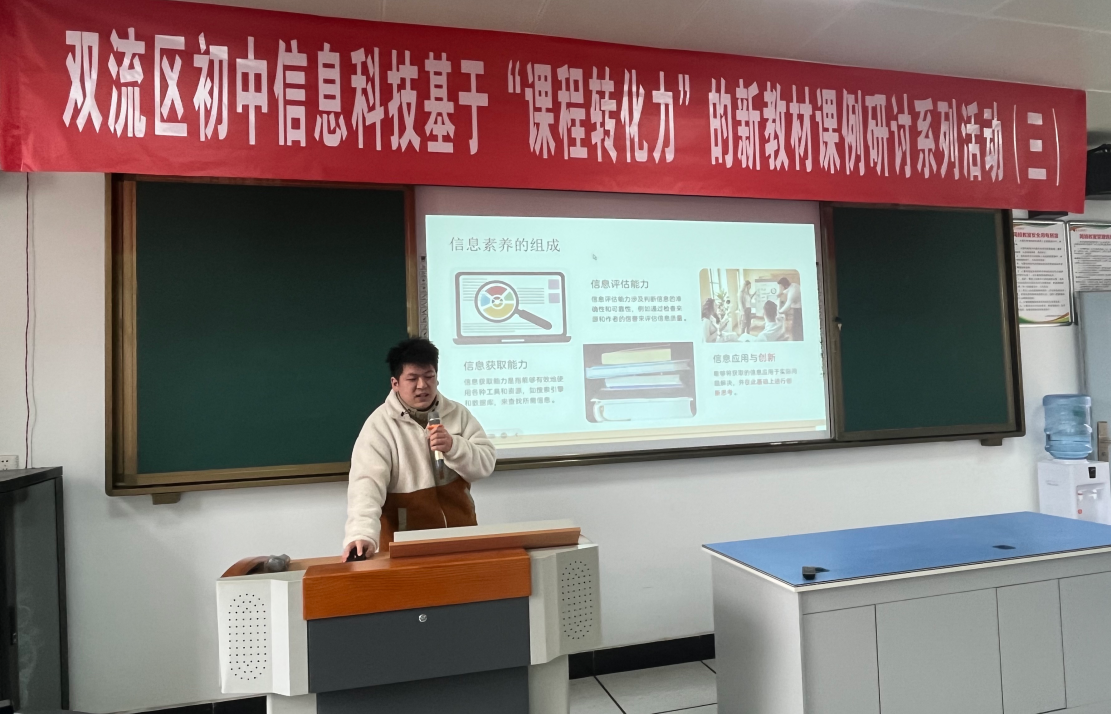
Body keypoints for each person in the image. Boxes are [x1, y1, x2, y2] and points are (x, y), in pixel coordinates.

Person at [342, 338, 496, 560]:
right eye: (413, 378)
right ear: (395, 383)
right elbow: (365, 485)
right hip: (406, 545)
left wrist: (454, 446)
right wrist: (361, 534)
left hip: (461, 537)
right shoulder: (379, 426)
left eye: (429, 376)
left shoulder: (457, 414)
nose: (422, 385)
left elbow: (486, 464)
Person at [778, 276, 803, 341]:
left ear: (785, 285)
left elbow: (788, 305)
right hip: (798, 308)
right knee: (796, 325)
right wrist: (782, 293)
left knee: (796, 326)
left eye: (781, 286)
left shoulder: (793, 292)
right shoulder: (794, 285)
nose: (781, 288)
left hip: (799, 309)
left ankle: (797, 340)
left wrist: (779, 312)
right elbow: (788, 290)